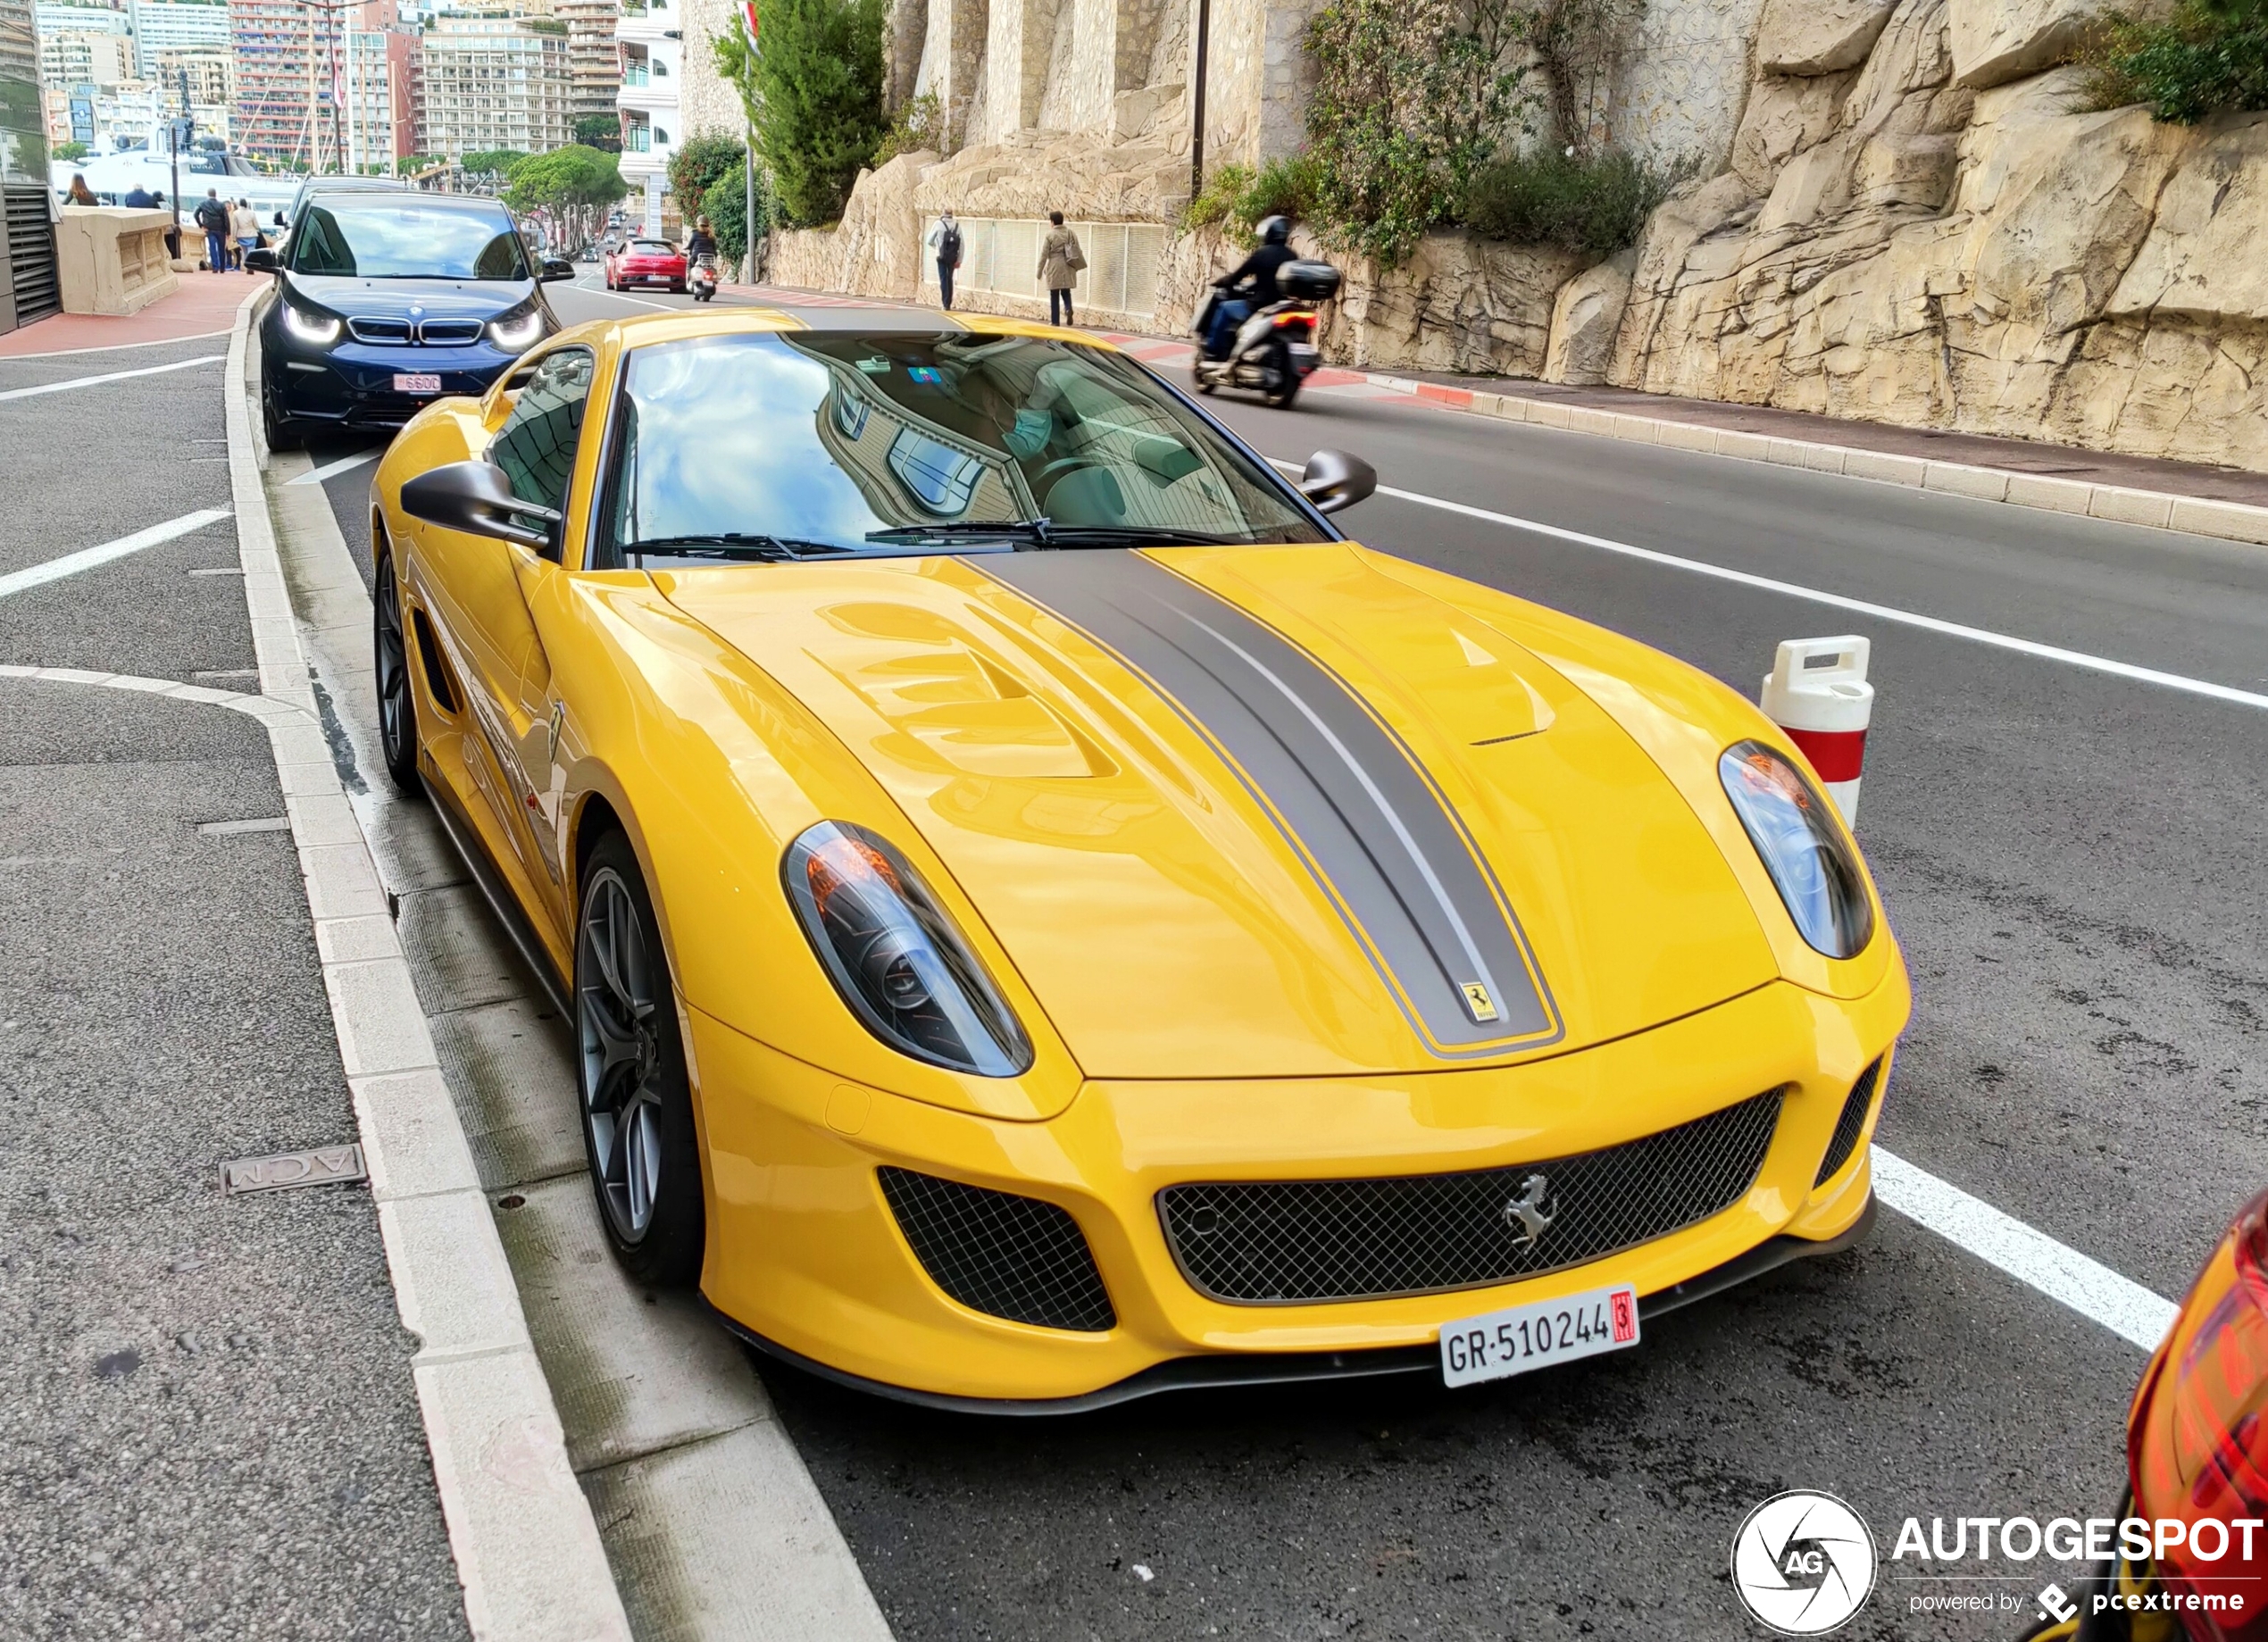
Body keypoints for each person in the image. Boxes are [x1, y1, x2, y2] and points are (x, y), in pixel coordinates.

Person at [1205, 213, 1298, 359]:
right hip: (1281, 306)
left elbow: (1237, 276)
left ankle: (1213, 349)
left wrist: (1223, 281)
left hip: (1258, 306)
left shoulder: (1262, 254)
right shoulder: (1292, 256)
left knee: (1224, 308)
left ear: (1268, 234)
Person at [1038, 211, 1083, 327]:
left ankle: (1055, 321)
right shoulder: (1070, 233)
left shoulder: (1050, 235)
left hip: (1054, 266)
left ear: (1052, 222)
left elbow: (1044, 254)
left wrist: (1039, 271)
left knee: (1054, 294)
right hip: (1068, 265)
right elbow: (1077, 249)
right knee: (1066, 291)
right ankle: (1068, 308)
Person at [928, 209, 963, 311]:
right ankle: (949, 302)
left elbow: (929, 241)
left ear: (943, 214)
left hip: (941, 256)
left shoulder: (938, 224)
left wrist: (938, 248)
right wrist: (959, 260)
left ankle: (945, 303)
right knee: (949, 278)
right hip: (952, 257)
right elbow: (962, 244)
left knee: (943, 278)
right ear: (951, 215)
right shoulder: (957, 226)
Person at [195, 188, 230, 274]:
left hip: (210, 229)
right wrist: (228, 231)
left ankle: (215, 267)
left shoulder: (203, 204)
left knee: (212, 247)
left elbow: (196, 214)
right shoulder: (221, 205)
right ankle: (222, 267)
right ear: (215, 194)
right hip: (221, 229)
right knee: (221, 248)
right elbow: (226, 218)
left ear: (208, 194)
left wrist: (201, 225)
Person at [229, 197, 260, 269]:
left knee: (244, 251)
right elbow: (256, 225)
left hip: (241, 235)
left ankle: (246, 265)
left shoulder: (236, 213)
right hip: (251, 234)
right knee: (251, 251)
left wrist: (233, 237)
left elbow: (234, 227)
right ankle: (251, 266)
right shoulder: (251, 213)